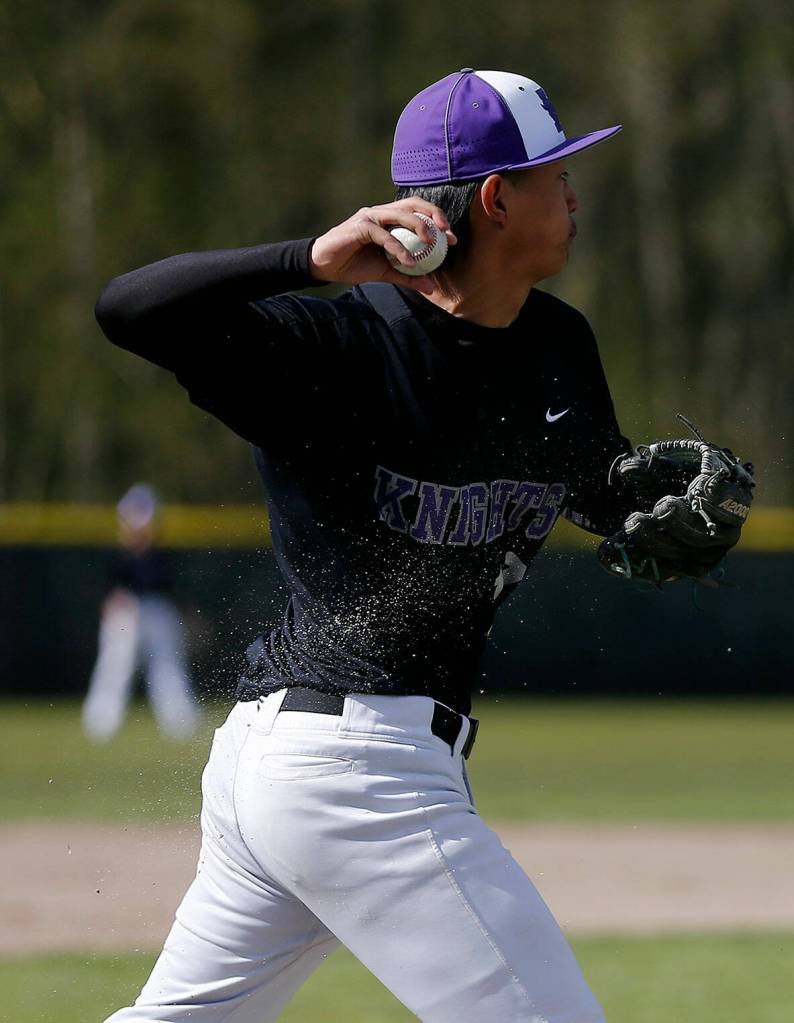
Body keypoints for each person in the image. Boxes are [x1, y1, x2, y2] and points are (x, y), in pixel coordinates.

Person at [96, 69, 631, 1023]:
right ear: (500, 199)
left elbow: (604, 491)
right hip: (355, 771)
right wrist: (306, 257)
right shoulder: (333, 346)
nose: (575, 191)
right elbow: (130, 307)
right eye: (555, 172)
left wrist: (659, 515)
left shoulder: (558, 346)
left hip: (319, 767)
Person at [82, 483, 200, 741]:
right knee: (116, 666)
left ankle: (180, 720)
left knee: (168, 665)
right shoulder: (118, 553)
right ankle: (101, 722)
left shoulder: (160, 553)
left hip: (158, 610)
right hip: (125, 610)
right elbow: (109, 588)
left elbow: (170, 586)